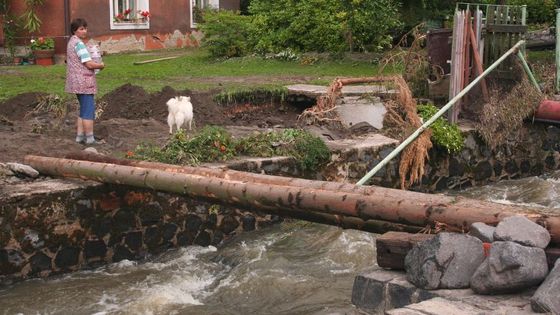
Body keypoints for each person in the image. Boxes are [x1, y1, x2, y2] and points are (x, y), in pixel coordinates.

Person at [65, 18, 105, 145]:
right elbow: (88, 64)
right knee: (88, 111)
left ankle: (80, 136)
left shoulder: (71, 42)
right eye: (81, 29)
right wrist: (101, 65)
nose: (84, 31)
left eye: (85, 28)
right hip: (84, 82)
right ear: (74, 30)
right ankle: (90, 139)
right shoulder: (79, 44)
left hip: (75, 81)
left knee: (83, 109)